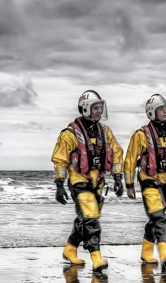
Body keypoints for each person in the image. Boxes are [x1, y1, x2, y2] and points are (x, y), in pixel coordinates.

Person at [51, 90, 124, 272]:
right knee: (91, 218)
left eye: (100, 107)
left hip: (97, 183)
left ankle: (70, 250)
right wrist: (60, 185)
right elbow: (60, 160)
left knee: (85, 219)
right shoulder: (70, 134)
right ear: (85, 109)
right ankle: (96, 258)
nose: (99, 111)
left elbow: (116, 154)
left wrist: (118, 178)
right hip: (78, 182)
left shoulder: (105, 132)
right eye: (96, 107)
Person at [124, 94, 166, 269]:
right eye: (161, 109)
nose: (165, 111)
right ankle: (164, 253)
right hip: (148, 181)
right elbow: (130, 160)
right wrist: (129, 184)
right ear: (151, 112)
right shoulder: (141, 135)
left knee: (155, 220)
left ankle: (146, 254)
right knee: (160, 219)